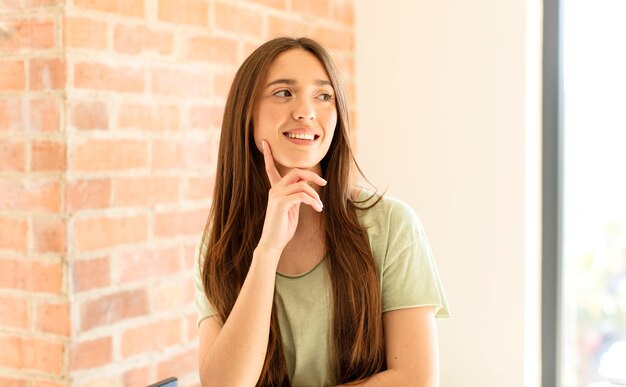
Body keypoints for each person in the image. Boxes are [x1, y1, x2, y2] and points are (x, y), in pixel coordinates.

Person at [193, 37, 449, 387]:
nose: (305, 110)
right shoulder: (220, 243)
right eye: (284, 92)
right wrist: (266, 253)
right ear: (247, 114)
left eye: (323, 95)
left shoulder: (391, 225)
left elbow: (416, 380)